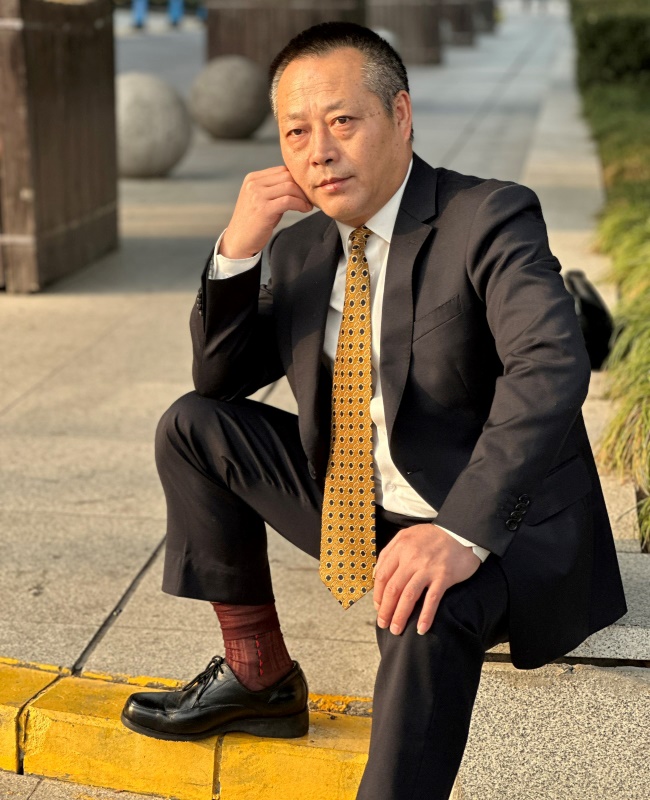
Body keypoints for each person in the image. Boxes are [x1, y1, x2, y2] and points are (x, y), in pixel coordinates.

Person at [120, 22, 626, 799]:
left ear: (401, 115)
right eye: (296, 132)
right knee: (193, 426)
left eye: (342, 121)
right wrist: (239, 246)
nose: (318, 151)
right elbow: (218, 377)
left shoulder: (488, 216)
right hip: (363, 507)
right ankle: (259, 676)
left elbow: (550, 365)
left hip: (495, 530)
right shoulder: (301, 252)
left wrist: (458, 532)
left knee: (420, 613)